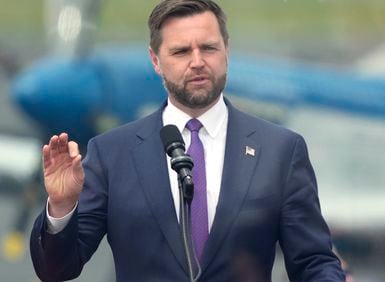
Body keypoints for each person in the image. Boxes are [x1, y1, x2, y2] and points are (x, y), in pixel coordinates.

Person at [30, 0, 345, 281]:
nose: (197, 61)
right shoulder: (112, 153)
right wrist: (61, 206)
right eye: (181, 51)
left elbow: (312, 261)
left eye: (208, 48)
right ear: (155, 60)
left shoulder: (280, 150)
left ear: (226, 50)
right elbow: (56, 270)